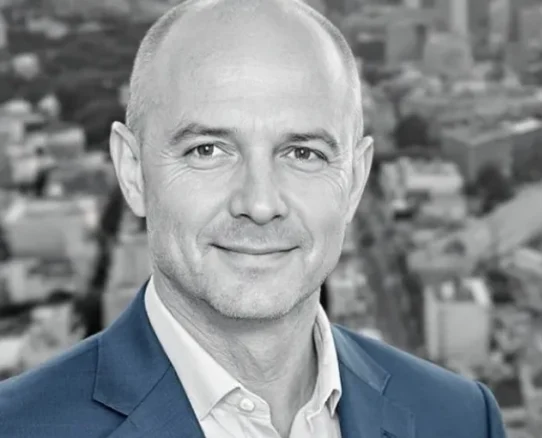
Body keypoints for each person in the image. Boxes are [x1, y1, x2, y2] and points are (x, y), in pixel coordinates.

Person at [0, 1, 506, 437]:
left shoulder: (461, 419)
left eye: (303, 153)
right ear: (133, 173)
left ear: (355, 181)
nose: (260, 204)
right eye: (207, 150)